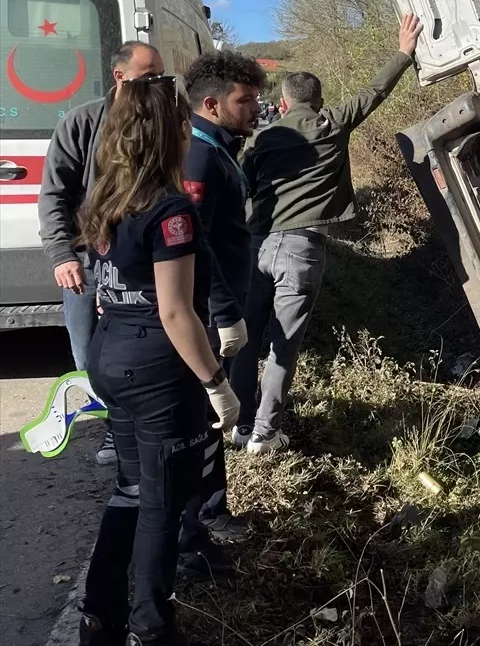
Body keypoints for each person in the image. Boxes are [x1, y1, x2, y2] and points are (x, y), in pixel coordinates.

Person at [73, 74, 240, 646]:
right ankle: (152, 628)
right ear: (168, 134)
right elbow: (176, 313)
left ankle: (99, 616)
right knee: (161, 507)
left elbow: (107, 287)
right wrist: (216, 382)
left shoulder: (106, 199)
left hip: (111, 357)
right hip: (157, 375)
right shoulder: (170, 210)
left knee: (130, 490)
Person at [231, 13, 423, 453]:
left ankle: (241, 424)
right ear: (318, 101)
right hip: (302, 249)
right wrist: (403, 52)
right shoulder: (331, 124)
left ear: (282, 104)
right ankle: (264, 432)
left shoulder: (261, 139)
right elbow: (373, 93)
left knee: (246, 339)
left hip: (258, 246)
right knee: (283, 345)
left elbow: (243, 188)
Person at [38, 41, 165, 465]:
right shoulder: (80, 124)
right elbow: (54, 195)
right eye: (149, 78)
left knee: (139, 353)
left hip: (138, 264)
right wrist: (62, 255)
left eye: (161, 78)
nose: (157, 86)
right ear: (120, 77)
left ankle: (137, 431)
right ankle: (113, 430)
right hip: (86, 265)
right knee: (90, 354)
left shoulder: (158, 124)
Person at [175, 51, 266, 577]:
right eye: (245, 100)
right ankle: (194, 535)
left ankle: (211, 513)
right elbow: (195, 243)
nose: (255, 107)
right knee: (204, 422)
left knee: (211, 423)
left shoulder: (218, 147)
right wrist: (222, 313)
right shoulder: (200, 157)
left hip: (219, 307)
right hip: (208, 315)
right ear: (212, 103)